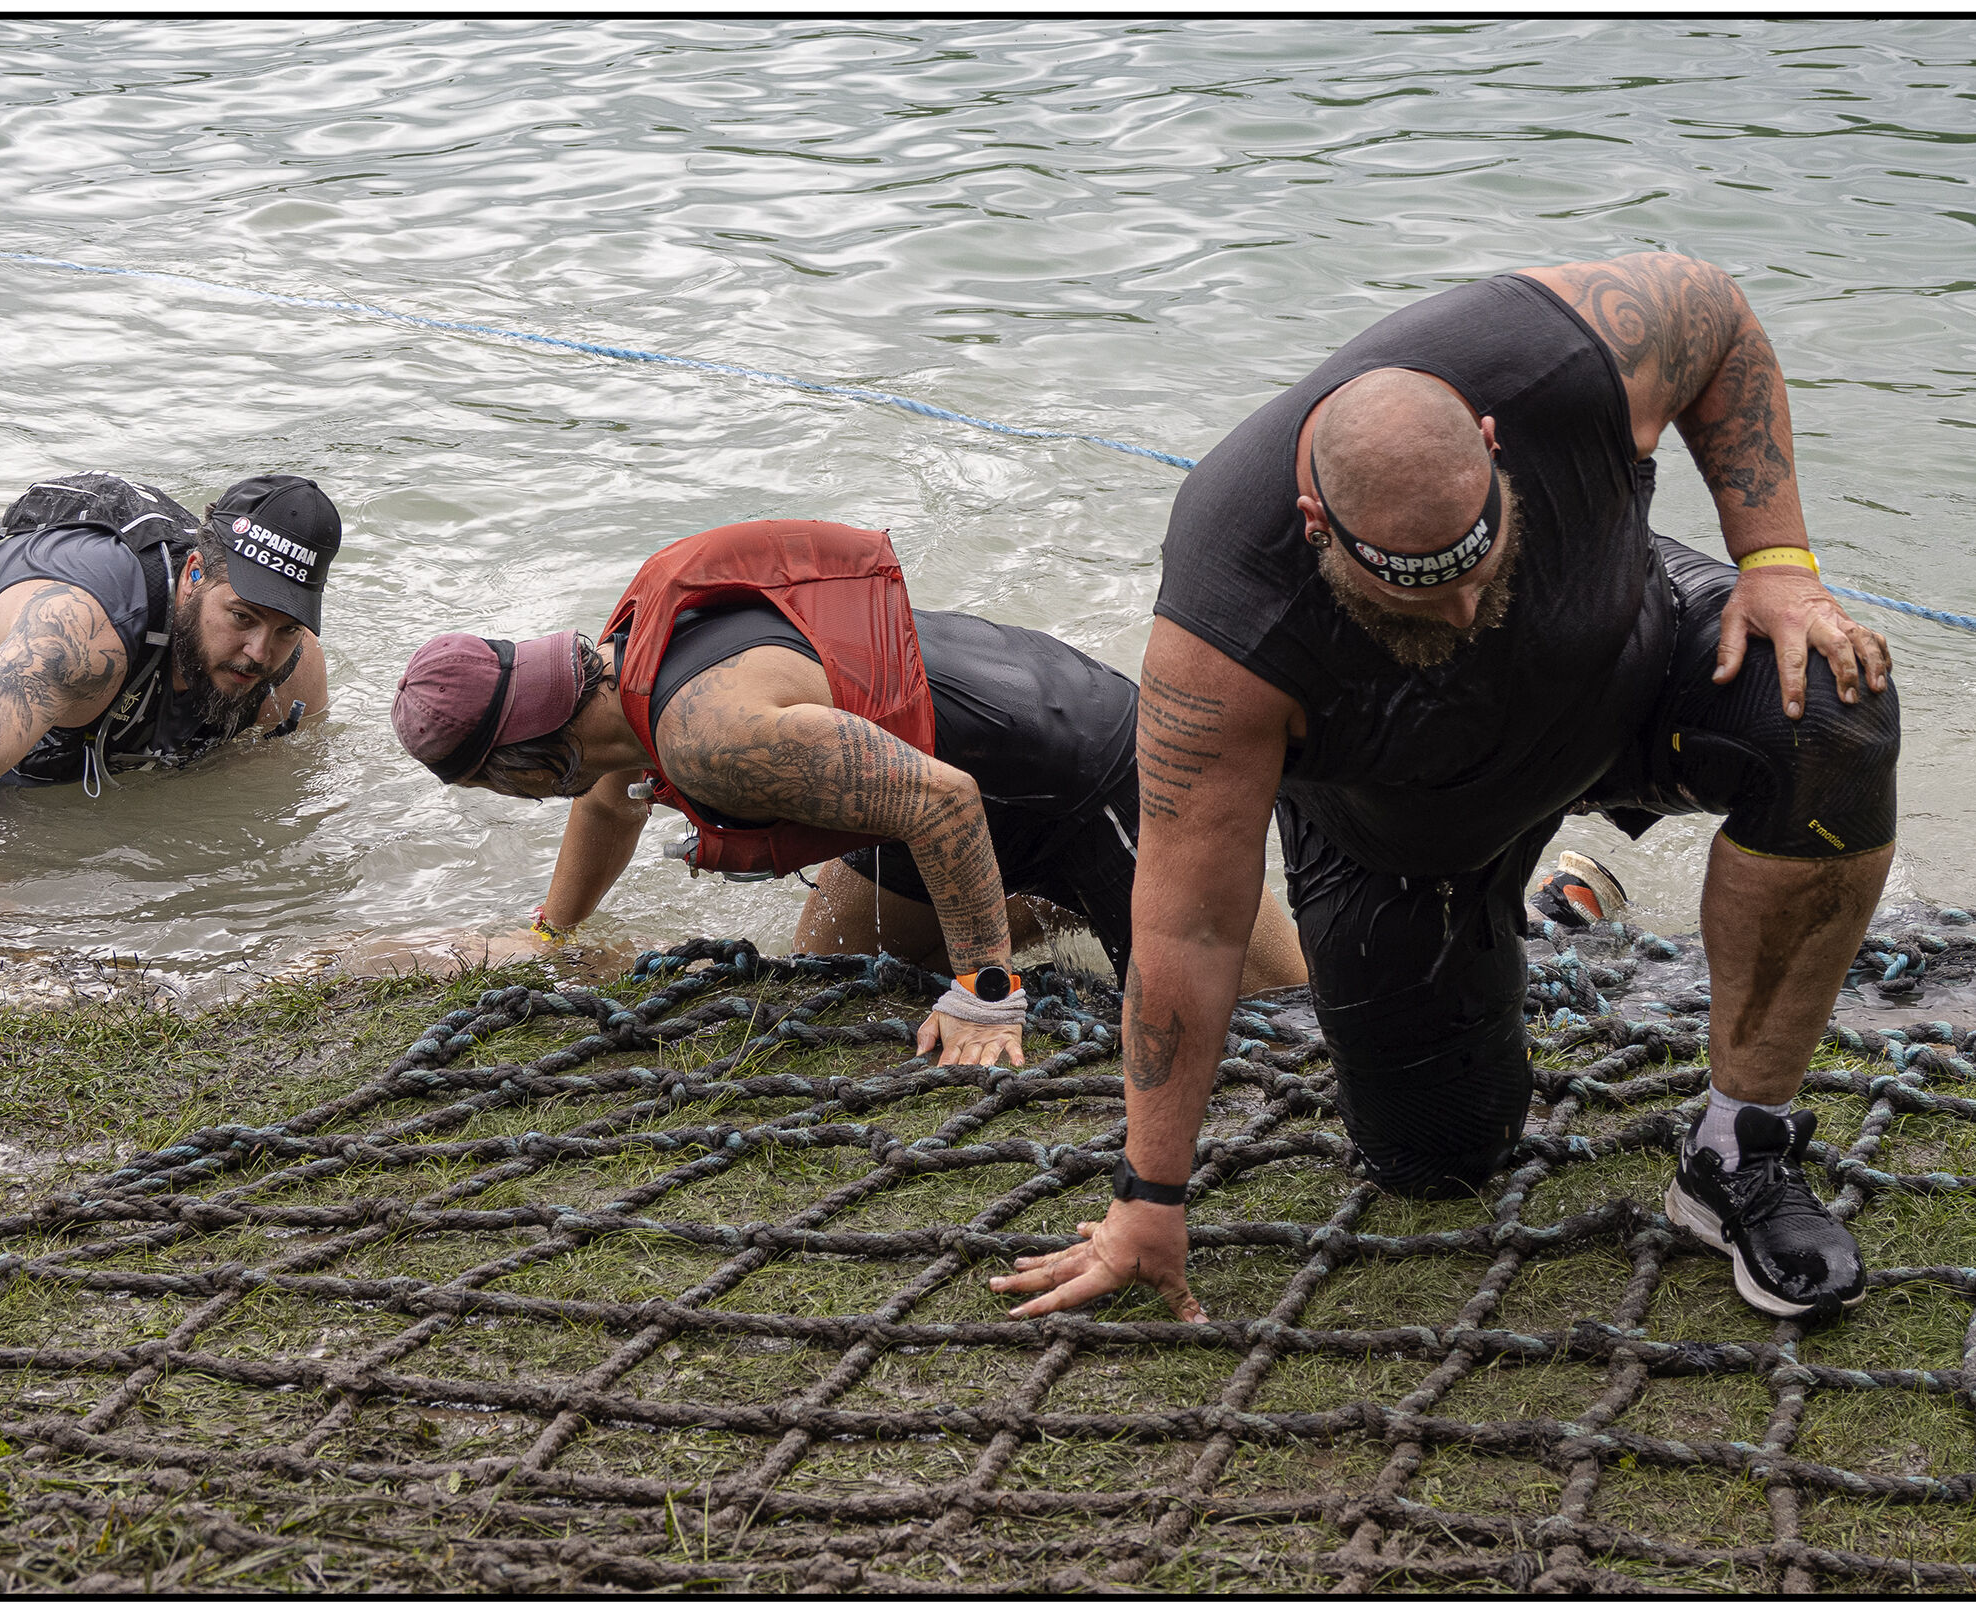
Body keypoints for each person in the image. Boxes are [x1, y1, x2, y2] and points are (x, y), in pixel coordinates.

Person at [991, 252, 1897, 1324]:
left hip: (1628, 670)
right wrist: (1150, 1199)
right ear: (1317, 526)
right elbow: (1187, 921)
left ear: (1491, 442)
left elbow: (1720, 316)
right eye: (1418, 596)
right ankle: (1556, 908)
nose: (1468, 613)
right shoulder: (1226, 627)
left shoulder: (1555, 356)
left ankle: (1738, 1146)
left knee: (1832, 712)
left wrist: (1778, 560)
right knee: (1439, 1159)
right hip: (1409, 837)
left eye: (1484, 563)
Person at [389, 518, 1306, 1067]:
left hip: (1086, 770)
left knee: (1282, 1024)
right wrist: (552, 932)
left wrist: (987, 991)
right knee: (837, 973)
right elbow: (608, 799)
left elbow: (942, 801)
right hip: (927, 796)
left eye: (494, 787)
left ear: (518, 765)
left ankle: (1030, 926)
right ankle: (1025, 912)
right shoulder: (616, 681)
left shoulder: (713, 737)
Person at [0, 471, 340, 955]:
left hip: (70, 736)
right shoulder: (79, 636)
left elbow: (272, 782)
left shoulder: (293, 666)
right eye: (241, 617)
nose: (258, 651)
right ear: (194, 573)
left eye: (286, 629)